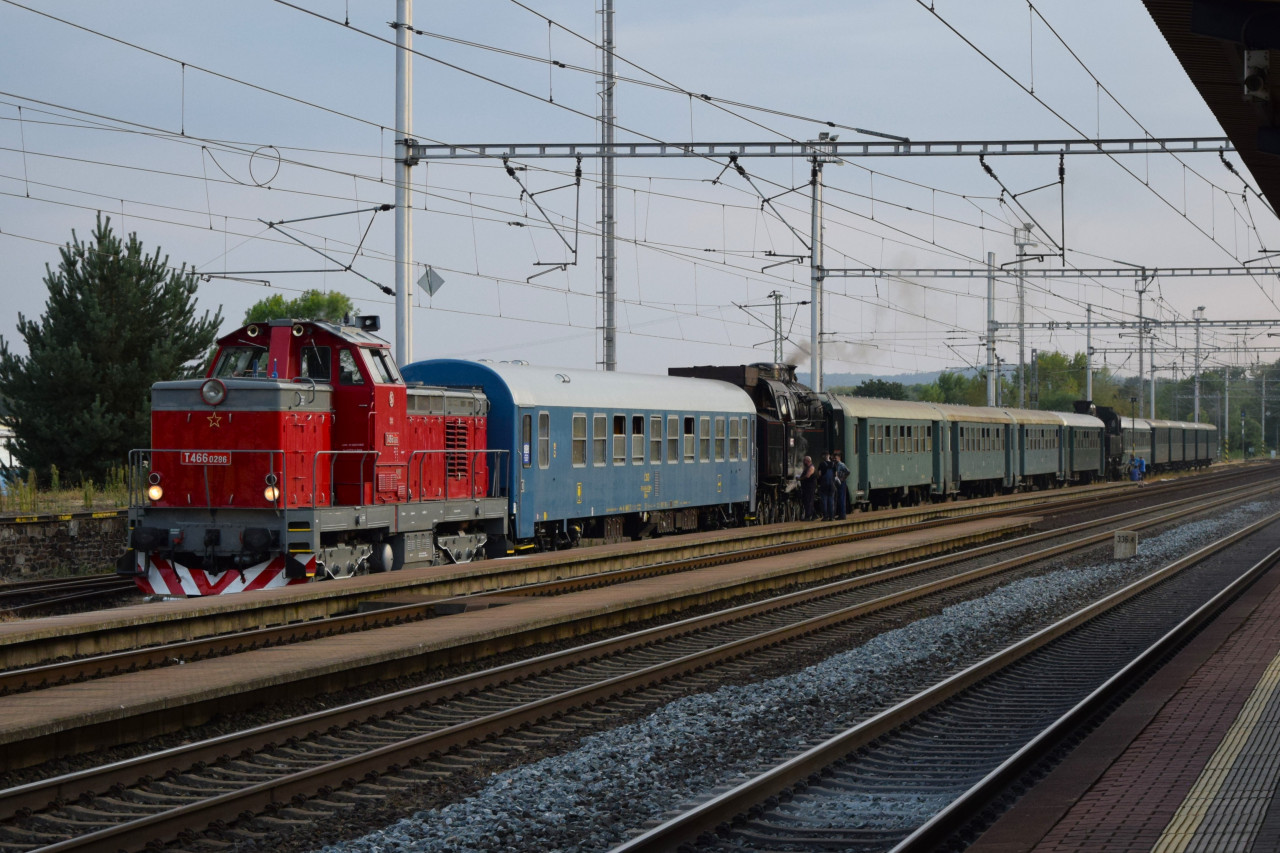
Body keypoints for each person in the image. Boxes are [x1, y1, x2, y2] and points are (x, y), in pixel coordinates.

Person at [817, 452, 837, 521]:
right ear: (829, 456)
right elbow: (835, 474)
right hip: (832, 484)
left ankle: (825, 516)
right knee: (831, 501)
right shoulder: (833, 464)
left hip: (824, 484)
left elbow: (819, 474)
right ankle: (832, 517)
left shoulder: (822, 464)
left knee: (824, 500)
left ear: (824, 456)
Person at [832, 450, 851, 519]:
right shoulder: (835, 464)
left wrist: (843, 478)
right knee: (838, 498)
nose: (834, 459)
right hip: (837, 482)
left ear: (839, 457)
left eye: (835, 457)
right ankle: (840, 514)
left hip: (842, 483)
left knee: (841, 499)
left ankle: (842, 515)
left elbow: (848, 471)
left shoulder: (841, 464)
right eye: (833, 457)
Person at [798, 455, 817, 520]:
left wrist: (800, 479)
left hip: (810, 487)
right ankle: (814, 515)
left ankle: (808, 516)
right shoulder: (807, 467)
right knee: (807, 500)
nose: (803, 462)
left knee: (809, 501)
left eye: (804, 461)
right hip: (806, 487)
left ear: (807, 461)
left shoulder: (811, 467)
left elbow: (807, 476)